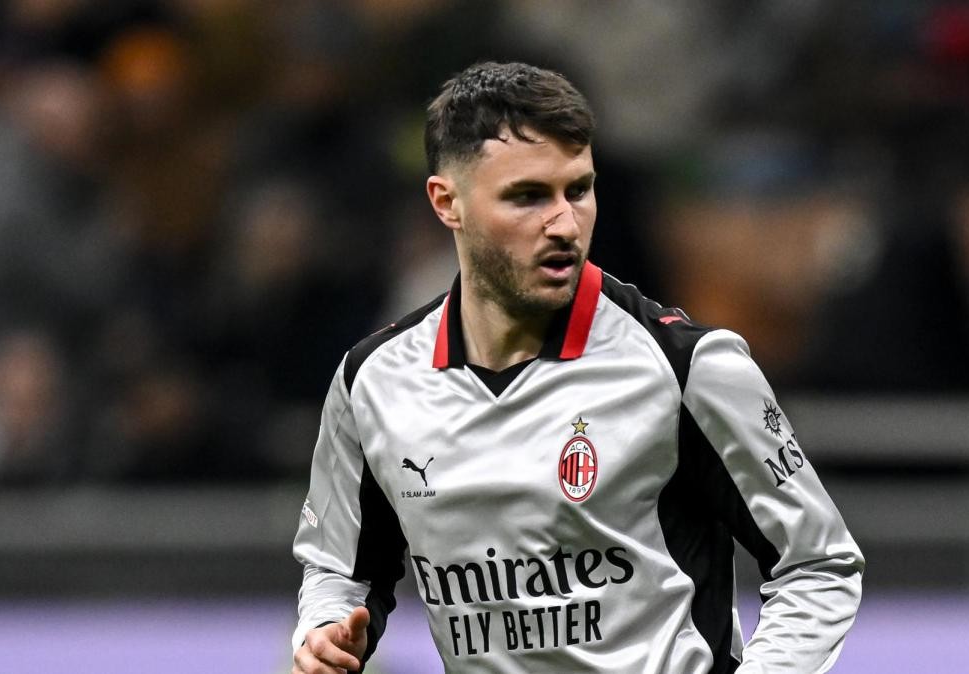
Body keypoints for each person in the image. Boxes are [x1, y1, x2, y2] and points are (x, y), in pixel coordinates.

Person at [291, 61, 864, 673]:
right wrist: (325, 630)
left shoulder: (686, 366)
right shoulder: (372, 381)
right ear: (447, 202)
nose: (564, 224)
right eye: (528, 196)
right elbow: (338, 567)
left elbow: (818, 564)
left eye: (579, 190)